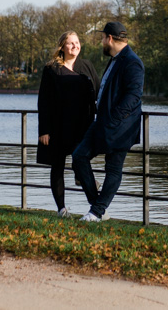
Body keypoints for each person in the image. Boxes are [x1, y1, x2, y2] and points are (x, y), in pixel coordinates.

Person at [72, 22, 144, 222]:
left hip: (121, 127)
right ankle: (98, 209)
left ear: (110, 38)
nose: (101, 42)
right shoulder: (115, 59)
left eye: (102, 38)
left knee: (113, 168)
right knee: (79, 157)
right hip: (102, 123)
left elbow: (134, 95)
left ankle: (95, 212)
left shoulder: (132, 61)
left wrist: (114, 118)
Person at [37, 30, 98, 218]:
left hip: (82, 126)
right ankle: (61, 209)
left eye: (77, 42)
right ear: (62, 47)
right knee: (57, 166)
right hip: (58, 126)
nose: (75, 46)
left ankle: (96, 208)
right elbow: (44, 100)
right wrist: (44, 130)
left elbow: (98, 92)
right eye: (70, 43)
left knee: (82, 163)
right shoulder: (51, 69)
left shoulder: (86, 66)